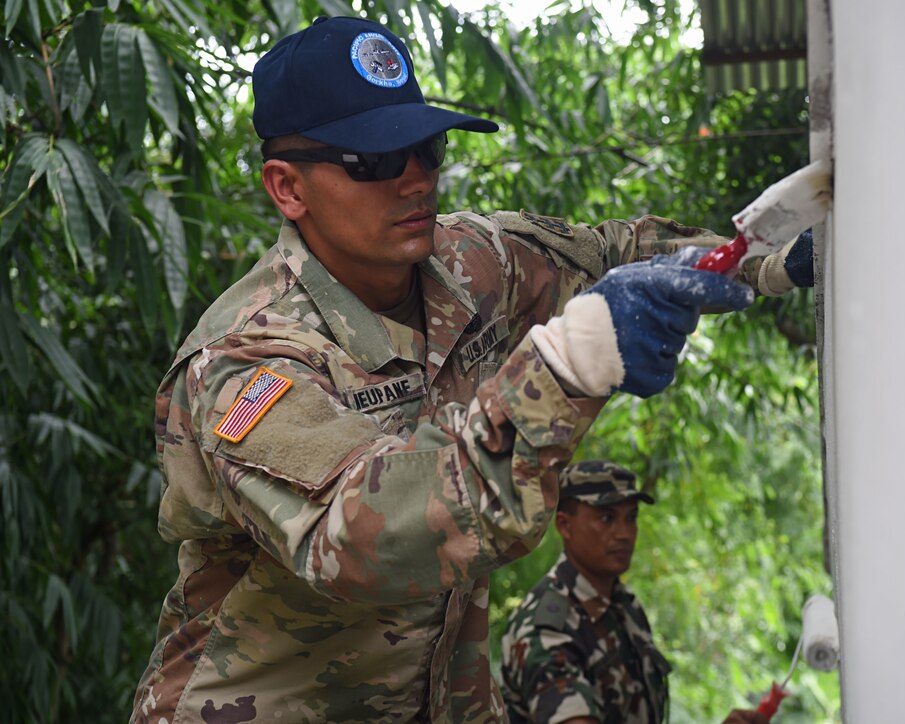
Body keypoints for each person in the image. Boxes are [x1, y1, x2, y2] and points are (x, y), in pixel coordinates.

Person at [129, 14, 811, 724]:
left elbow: (613, 253)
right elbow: (368, 532)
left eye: (427, 147)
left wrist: (766, 263)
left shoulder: (470, 267)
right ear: (287, 187)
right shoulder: (245, 363)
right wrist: (572, 363)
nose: (416, 179)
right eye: (374, 161)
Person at [499, 461, 770, 724]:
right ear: (565, 526)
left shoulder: (622, 606)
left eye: (631, 518)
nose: (625, 533)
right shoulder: (546, 626)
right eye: (606, 518)